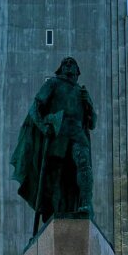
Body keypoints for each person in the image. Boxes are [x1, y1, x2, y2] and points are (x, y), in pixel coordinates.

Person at [11, 57, 95, 230]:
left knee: (84, 165)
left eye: (73, 63)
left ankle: (86, 204)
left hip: (78, 135)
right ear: (60, 69)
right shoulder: (54, 84)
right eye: (66, 63)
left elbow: (92, 123)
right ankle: (52, 213)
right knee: (56, 177)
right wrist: (42, 127)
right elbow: (35, 108)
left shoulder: (82, 92)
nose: (69, 66)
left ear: (78, 71)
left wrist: (89, 105)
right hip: (59, 135)